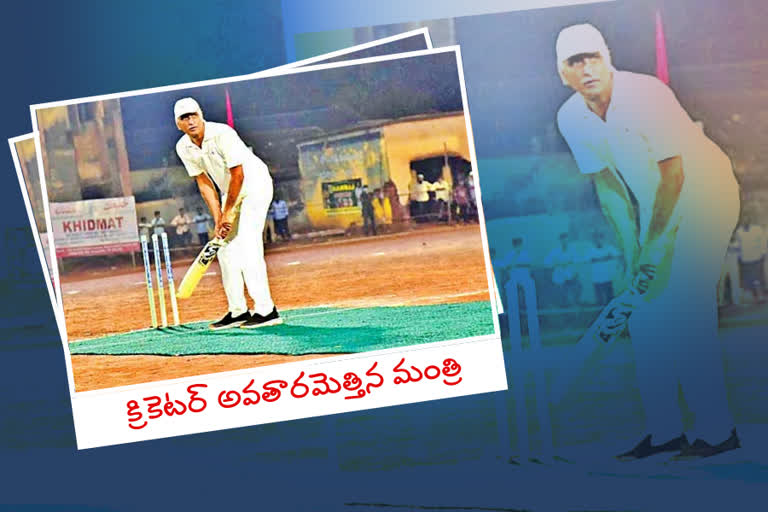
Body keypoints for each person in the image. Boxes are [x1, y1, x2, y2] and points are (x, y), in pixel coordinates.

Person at [555, 24, 741, 458]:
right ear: (561, 73)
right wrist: (632, 253)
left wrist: (654, 246)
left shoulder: (647, 95)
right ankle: (665, 432)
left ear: (608, 57)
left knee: (684, 305)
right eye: (574, 62)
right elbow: (609, 188)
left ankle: (717, 432)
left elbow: (675, 177)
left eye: (592, 57)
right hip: (655, 207)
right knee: (643, 315)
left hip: (707, 195)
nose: (586, 69)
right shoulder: (570, 117)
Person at [174, 97, 281, 330]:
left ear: (201, 115)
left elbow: (238, 175)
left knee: (248, 245)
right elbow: (204, 183)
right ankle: (238, 311)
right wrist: (218, 218)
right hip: (228, 192)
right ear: (178, 124)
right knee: (224, 250)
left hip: (254, 185)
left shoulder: (222, 133)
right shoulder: (183, 147)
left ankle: (266, 310)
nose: (191, 121)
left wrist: (229, 211)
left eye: (194, 115)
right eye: (184, 118)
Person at [733, 217, 767, 303]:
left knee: (758, 278)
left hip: (757, 258)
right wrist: (738, 256)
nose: (745, 222)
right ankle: (756, 297)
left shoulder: (757, 229)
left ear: (750, 221)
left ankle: (761, 296)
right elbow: (738, 246)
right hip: (746, 260)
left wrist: (763, 253)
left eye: (747, 220)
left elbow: (762, 241)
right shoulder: (739, 232)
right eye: (743, 221)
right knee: (751, 280)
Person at [544, 233, 582, 307]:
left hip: (570, 275)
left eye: (566, 240)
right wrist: (556, 263)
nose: (565, 242)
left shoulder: (572, 250)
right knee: (561, 294)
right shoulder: (555, 251)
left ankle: (573, 304)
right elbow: (547, 262)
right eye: (563, 240)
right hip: (559, 276)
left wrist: (572, 266)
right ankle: (563, 306)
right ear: (560, 241)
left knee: (578, 287)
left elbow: (578, 260)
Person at [584, 231, 620, 305]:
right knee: (599, 300)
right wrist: (605, 257)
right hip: (596, 278)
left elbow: (618, 255)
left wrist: (605, 258)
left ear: (603, 239)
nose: (598, 240)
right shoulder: (590, 250)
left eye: (600, 238)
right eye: (596, 239)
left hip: (608, 277)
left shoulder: (609, 248)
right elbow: (589, 260)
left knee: (610, 299)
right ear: (594, 240)